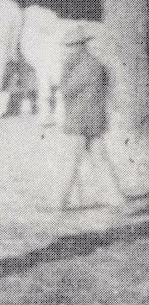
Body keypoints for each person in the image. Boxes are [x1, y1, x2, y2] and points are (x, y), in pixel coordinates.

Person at [55, 26, 129, 211]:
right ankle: (116, 198)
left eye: (71, 46)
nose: (68, 49)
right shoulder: (95, 63)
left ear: (80, 45)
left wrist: (65, 71)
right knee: (101, 159)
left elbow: (66, 90)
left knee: (71, 161)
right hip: (93, 119)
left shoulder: (84, 66)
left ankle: (60, 203)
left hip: (81, 121)